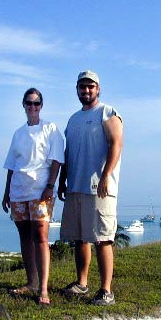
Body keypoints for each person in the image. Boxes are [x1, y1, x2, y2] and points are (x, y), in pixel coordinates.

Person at [58, 70, 123, 306]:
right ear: (77, 89)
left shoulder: (107, 112)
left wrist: (106, 176)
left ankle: (106, 290)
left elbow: (117, 144)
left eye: (91, 87)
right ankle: (82, 283)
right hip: (76, 185)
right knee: (80, 238)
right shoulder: (73, 119)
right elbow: (67, 153)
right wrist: (62, 180)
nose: (86, 91)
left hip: (99, 187)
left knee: (103, 238)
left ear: (98, 89)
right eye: (82, 87)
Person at [2, 87, 64, 305]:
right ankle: (31, 282)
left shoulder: (51, 129)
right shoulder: (18, 133)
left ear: (42, 105)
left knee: (41, 236)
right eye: (29, 103)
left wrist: (50, 185)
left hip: (41, 190)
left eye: (36, 103)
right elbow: (12, 165)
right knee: (25, 236)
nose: (32, 107)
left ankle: (43, 289)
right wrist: (6, 193)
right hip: (19, 190)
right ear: (23, 105)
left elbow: (57, 160)